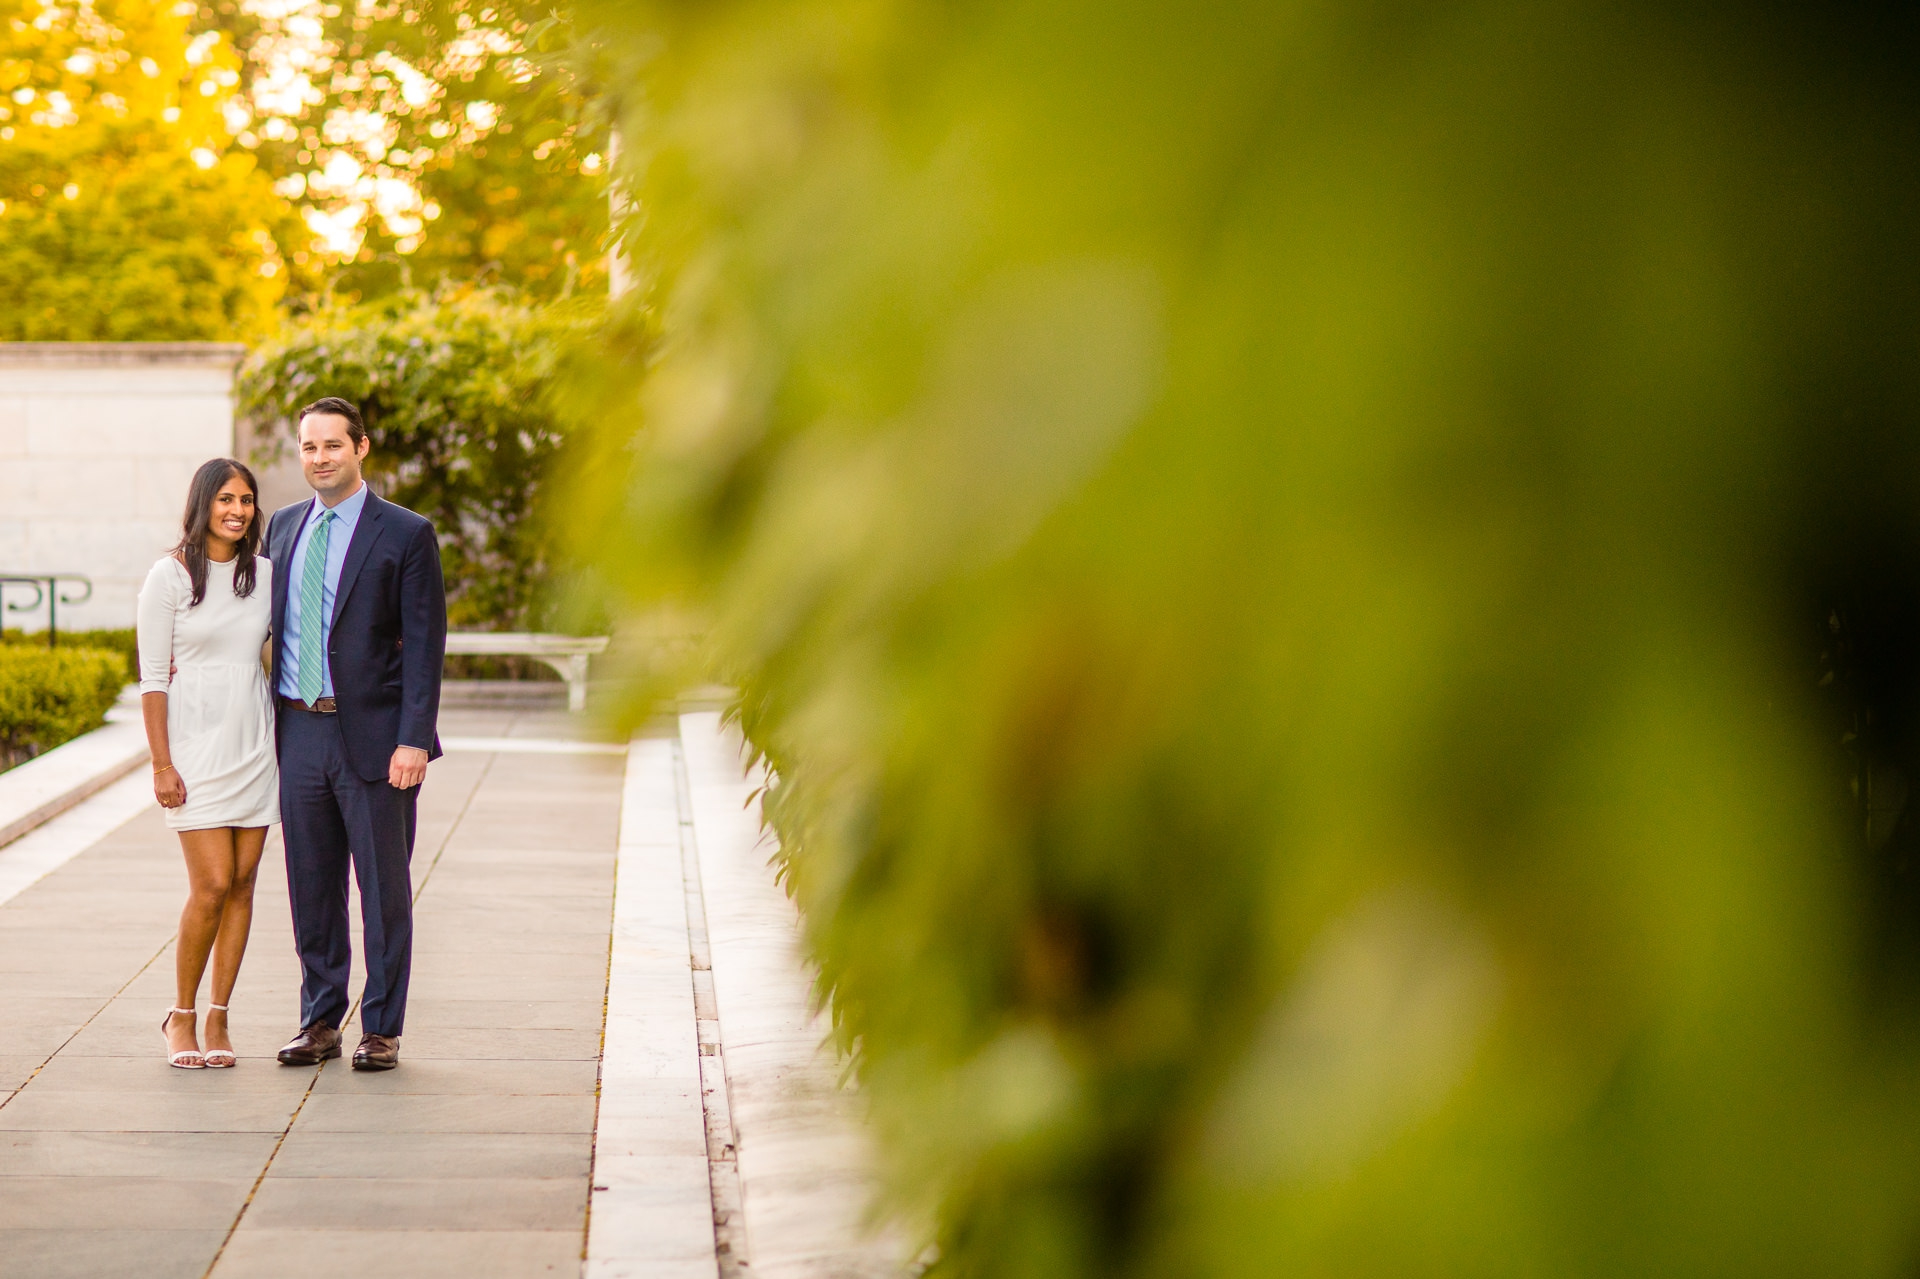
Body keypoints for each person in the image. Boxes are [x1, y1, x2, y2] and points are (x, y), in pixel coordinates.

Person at [268, 396, 446, 1072]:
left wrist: (414, 738)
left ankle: (381, 1027)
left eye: (332, 445)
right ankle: (319, 1020)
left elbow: (426, 646)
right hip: (299, 732)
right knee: (311, 886)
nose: (319, 458)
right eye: (309, 447)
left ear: (361, 447)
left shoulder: (404, 533)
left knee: (383, 889)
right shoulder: (282, 528)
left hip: (375, 737)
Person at [138, 459, 280, 1069]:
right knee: (212, 884)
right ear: (203, 504)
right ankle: (182, 1014)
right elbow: (151, 681)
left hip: (255, 742)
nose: (237, 511)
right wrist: (161, 765)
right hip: (194, 748)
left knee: (244, 882)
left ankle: (220, 1014)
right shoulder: (167, 577)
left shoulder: (266, 575)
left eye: (246, 500)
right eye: (225, 498)